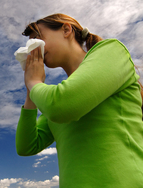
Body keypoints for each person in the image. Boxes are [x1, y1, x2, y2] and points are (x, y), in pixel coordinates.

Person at [15, 13, 143, 187]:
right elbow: (26, 146)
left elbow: (62, 106)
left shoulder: (112, 50)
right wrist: (31, 89)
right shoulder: (59, 95)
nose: (34, 50)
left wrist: (34, 82)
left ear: (66, 29)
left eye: (38, 39)